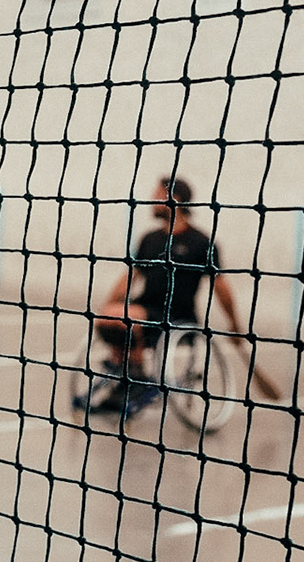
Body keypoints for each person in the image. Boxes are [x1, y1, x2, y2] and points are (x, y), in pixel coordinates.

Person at [87, 177, 243, 414]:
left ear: (175, 200)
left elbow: (221, 288)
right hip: (145, 309)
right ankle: (130, 376)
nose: (153, 202)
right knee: (108, 318)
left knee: (121, 317)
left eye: (158, 196)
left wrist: (235, 324)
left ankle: (136, 379)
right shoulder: (151, 239)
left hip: (177, 316)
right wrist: (110, 304)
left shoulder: (201, 242)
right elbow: (130, 277)